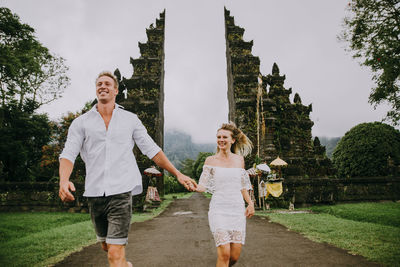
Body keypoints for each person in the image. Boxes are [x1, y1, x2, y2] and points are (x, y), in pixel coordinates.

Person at [58, 71, 197, 267]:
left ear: (116, 90)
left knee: (114, 253)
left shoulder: (130, 120)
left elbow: (152, 150)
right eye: (99, 83)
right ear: (96, 89)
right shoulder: (81, 123)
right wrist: (64, 180)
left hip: (121, 192)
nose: (103, 86)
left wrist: (178, 173)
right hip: (95, 193)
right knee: (107, 247)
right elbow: (68, 154)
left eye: (107, 83)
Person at [196, 122, 255, 267]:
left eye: (224, 137)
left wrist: (250, 203)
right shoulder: (210, 161)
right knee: (224, 253)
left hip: (236, 210)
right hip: (218, 210)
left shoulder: (239, 160)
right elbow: (202, 186)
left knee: (234, 257)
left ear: (232, 140)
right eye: (218, 137)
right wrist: (192, 185)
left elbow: (242, 186)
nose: (221, 140)